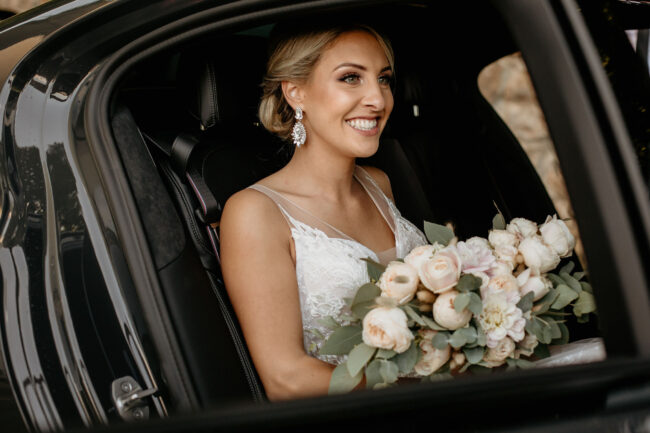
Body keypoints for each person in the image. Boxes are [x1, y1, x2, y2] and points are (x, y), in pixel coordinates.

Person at [219, 22, 428, 401]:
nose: (378, 100)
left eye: (383, 79)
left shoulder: (379, 183)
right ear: (295, 92)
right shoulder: (254, 212)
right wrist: (431, 388)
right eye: (351, 78)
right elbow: (286, 380)